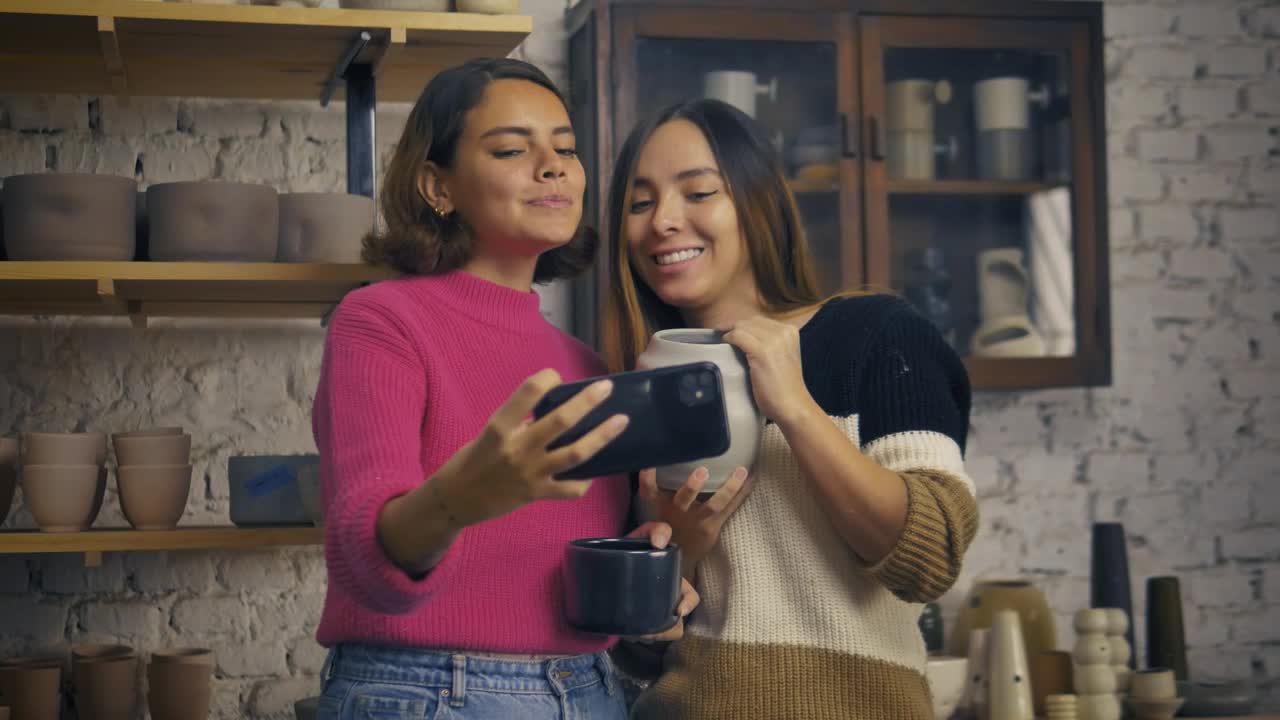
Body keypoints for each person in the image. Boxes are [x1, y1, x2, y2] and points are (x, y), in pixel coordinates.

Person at [310, 58, 696, 720]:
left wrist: (645, 588)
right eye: (513, 149)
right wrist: (459, 498)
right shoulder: (381, 321)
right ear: (438, 186)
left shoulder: (588, 365)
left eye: (566, 150)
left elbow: (553, 574)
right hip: (430, 692)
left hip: (591, 690)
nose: (552, 167)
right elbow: (361, 560)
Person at [601, 98, 979, 719]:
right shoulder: (639, 382)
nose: (663, 221)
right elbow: (636, 658)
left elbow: (930, 558)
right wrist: (683, 550)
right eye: (640, 204)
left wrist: (795, 408)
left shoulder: (875, 336)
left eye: (698, 192)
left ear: (758, 202)